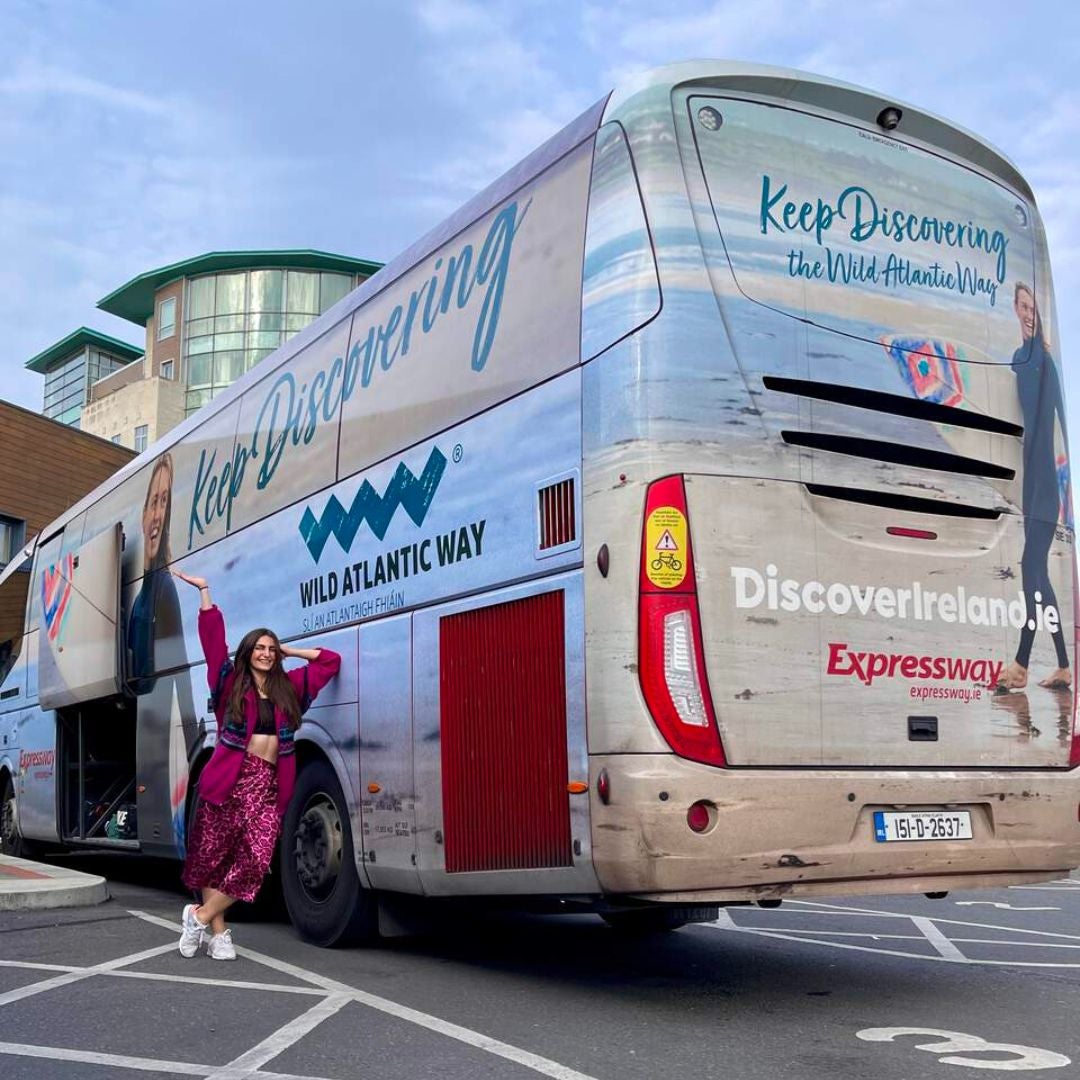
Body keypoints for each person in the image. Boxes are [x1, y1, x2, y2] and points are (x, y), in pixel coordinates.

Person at [172, 569, 341, 960]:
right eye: (259, 648)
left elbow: (330, 663)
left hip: (267, 784)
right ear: (247, 653)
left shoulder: (290, 688)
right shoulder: (229, 683)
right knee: (217, 858)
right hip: (228, 780)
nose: (266, 653)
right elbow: (213, 643)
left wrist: (293, 652)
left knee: (255, 861)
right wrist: (205, 594)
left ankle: (197, 916)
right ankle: (219, 934)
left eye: (271, 648)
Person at [997, 283, 1071, 691]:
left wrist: (1067, 486)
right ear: (1015, 309)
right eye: (1023, 306)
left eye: (1033, 307)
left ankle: (1022, 664)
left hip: (1047, 486)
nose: (1029, 312)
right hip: (1029, 482)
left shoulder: (1046, 362)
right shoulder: (1017, 359)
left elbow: (1061, 424)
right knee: (1039, 576)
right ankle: (1062, 664)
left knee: (1030, 571)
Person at [127, 453, 198, 853]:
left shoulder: (165, 588)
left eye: (165, 502)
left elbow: (182, 673)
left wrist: (192, 746)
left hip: (156, 725)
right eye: (152, 501)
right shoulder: (144, 591)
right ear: (142, 514)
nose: (156, 513)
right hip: (146, 717)